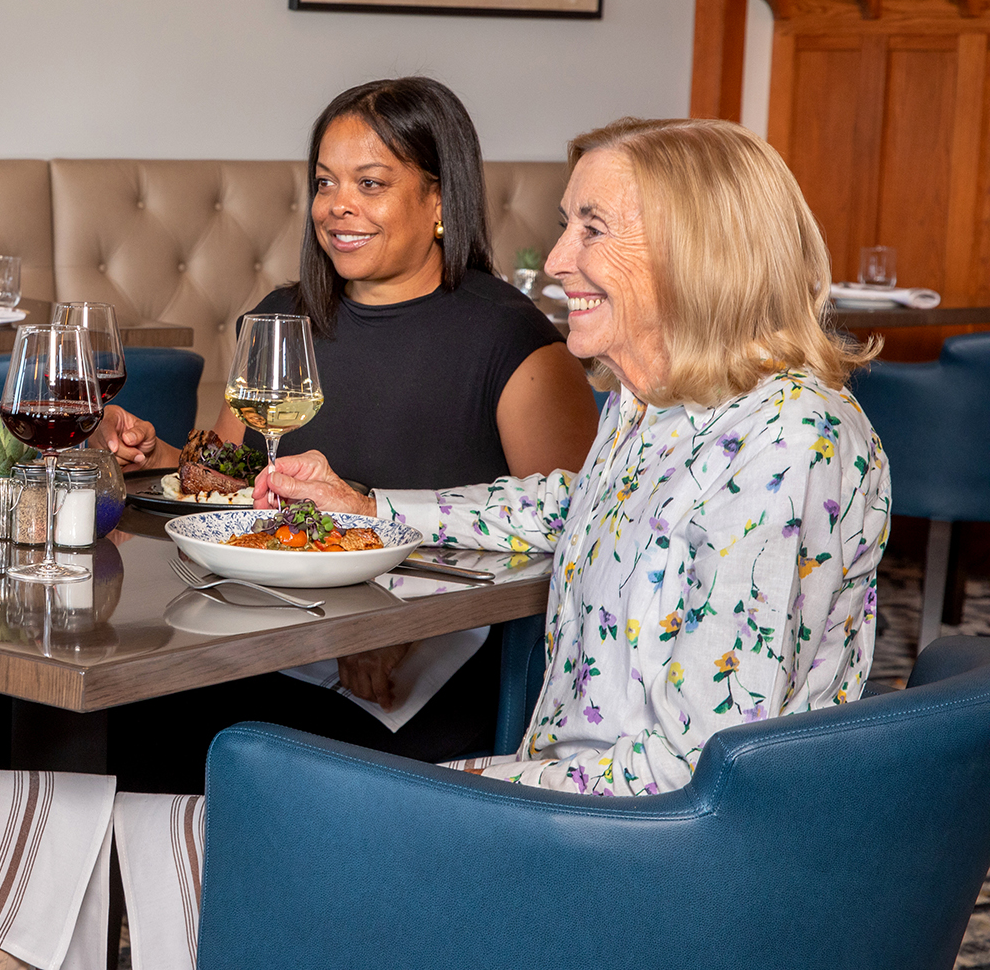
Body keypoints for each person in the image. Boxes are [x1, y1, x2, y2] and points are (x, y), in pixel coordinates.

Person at [261, 116, 891, 794]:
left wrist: (473, 797)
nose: (557, 260)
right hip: (574, 792)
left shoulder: (789, 440)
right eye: (568, 225)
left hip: (640, 834)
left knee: (267, 801)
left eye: (592, 229)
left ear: (696, 251)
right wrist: (367, 508)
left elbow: (701, 770)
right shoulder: (654, 401)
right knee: (254, 791)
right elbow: (573, 506)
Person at [99, 78, 601, 787]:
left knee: (231, 746)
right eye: (325, 182)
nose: (337, 205)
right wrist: (159, 457)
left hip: (432, 659)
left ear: (438, 199)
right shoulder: (283, 318)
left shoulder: (512, 341)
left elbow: (570, 536)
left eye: (371, 183)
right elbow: (236, 484)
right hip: (265, 632)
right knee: (131, 713)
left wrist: (389, 627)